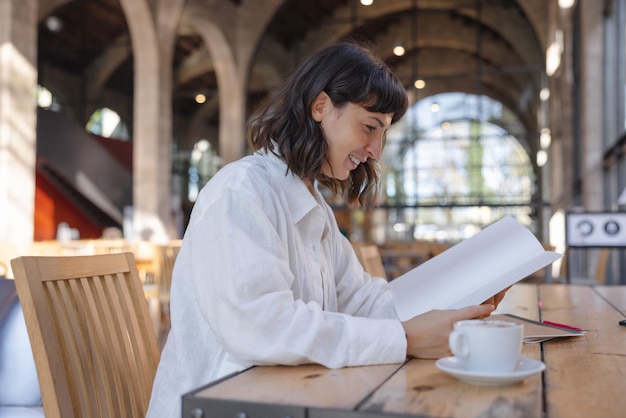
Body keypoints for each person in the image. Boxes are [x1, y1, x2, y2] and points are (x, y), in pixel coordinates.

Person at [146, 41, 506, 418]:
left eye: (383, 133)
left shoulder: (313, 205)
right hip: (223, 404)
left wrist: (460, 295)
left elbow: (363, 302)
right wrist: (404, 338)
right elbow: (261, 327)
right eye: (370, 127)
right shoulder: (240, 192)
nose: (375, 150)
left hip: (285, 399)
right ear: (320, 106)